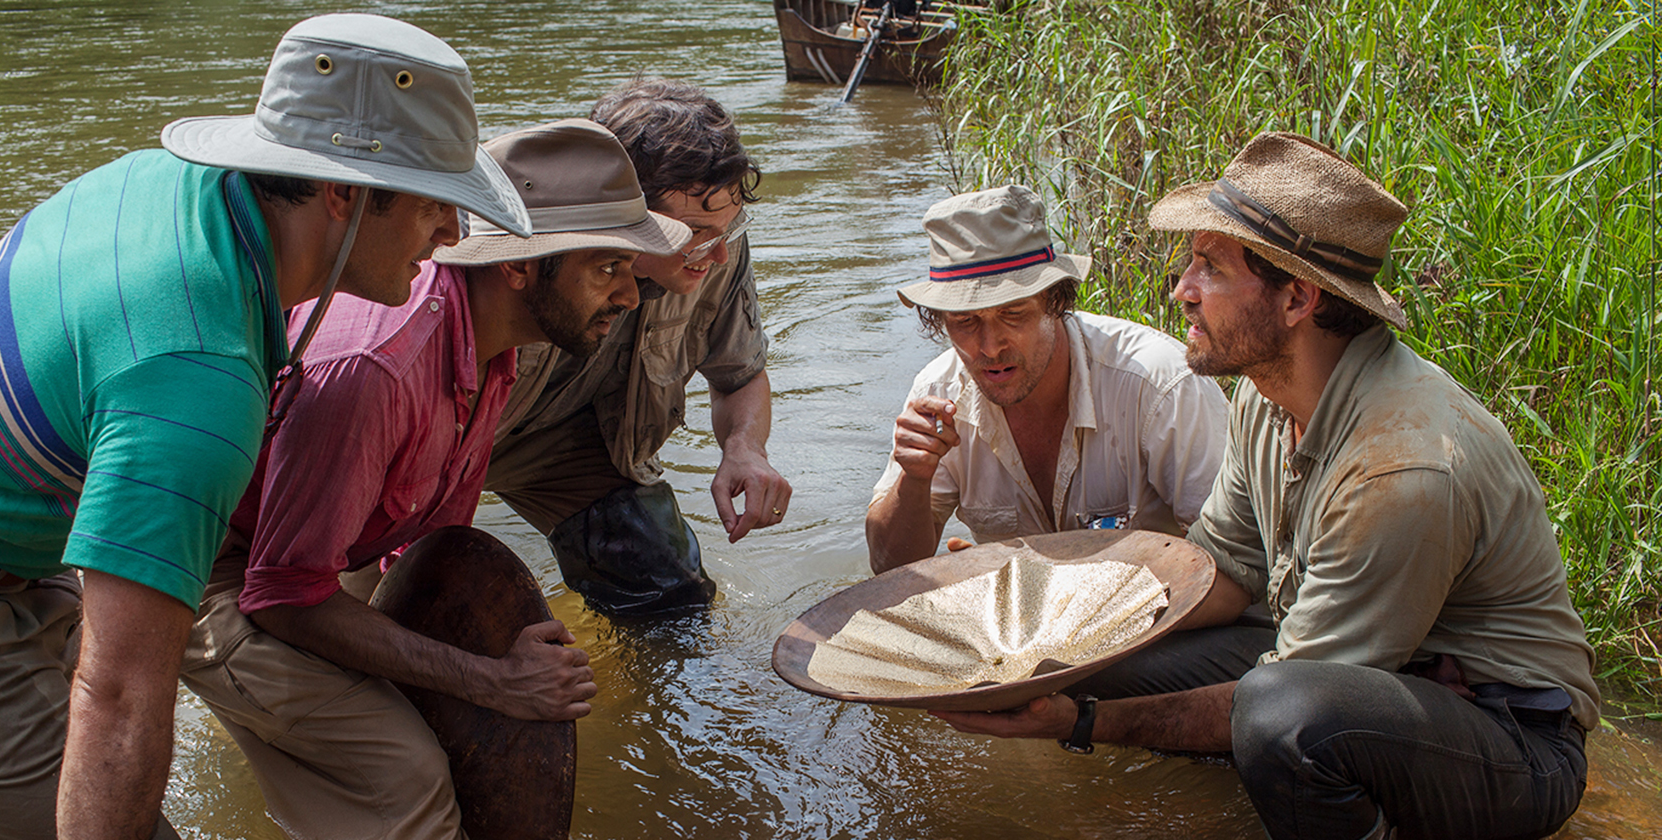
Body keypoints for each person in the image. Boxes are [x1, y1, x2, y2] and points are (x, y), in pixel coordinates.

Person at [0, 14, 529, 840]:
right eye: (434, 203)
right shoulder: (198, 377)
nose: (454, 236)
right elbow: (121, 698)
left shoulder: (161, 183)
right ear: (343, 194)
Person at [932, 133, 1600, 840]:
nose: (1181, 292)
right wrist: (1053, 630)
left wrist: (1084, 724)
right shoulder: (1264, 393)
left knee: (1280, 719)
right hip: (1392, 677)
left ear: (1296, 300)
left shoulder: (1399, 468)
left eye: (1210, 269)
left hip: (1512, 737)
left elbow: (1292, 690)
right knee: (1092, 663)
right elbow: (1219, 574)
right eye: (1189, 264)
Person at [177, 118, 690, 839]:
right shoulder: (376, 368)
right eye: (607, 268)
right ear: (517, 266)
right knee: (405, 780)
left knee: (429, 727)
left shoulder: (495, 342)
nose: (631, 297)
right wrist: (490, 681)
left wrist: (460, 666)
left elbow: (432, 546)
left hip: (312, 546)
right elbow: (283, 595)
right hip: (209, 572)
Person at [484, 79, 791, 614]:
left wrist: (745, 448)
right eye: (694, 233)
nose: (715, 255)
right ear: (625, 210)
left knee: (670, 588)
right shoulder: (532, 258)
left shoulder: (717, 252)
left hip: (575, 446)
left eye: (728, 228)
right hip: (455, 434)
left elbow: (739, 375)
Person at [866, 185, 1228, 573]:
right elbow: (889, 568)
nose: (989, 347)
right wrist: (914, 480)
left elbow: (1231, 562)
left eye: (1013, 314)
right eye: (965, 321)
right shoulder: (938, 394)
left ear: (1056, 302)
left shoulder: (1160, 383)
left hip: (1164, 614)